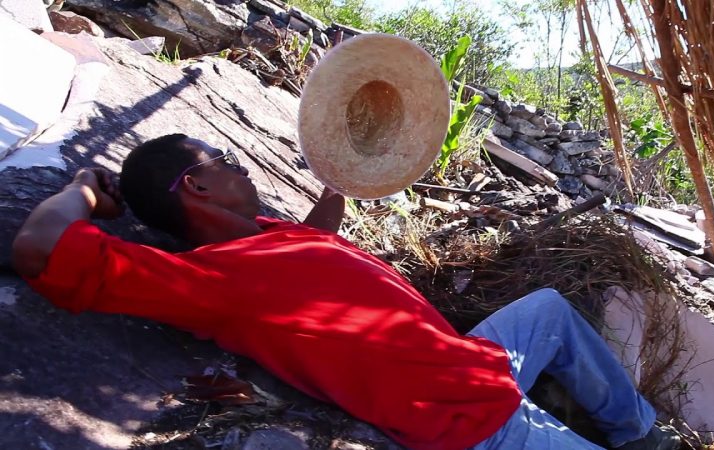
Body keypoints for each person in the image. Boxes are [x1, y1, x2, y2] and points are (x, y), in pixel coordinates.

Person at [12, 134, 680, 450]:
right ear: (197, 185)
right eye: (229, 160)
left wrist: (336, 184)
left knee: (549, 312)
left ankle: (640, 434)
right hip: (471, 420)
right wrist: (83, 190)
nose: (244, 167)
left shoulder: (265, 237)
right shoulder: (211, 282)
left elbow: (315, 248)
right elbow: (39, 249)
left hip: (473, 362)